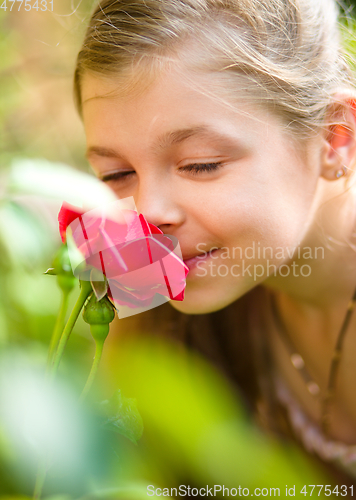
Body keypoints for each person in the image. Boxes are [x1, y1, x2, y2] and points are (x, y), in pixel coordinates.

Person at [74, 0, 356, 485]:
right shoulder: (159, 318)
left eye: (200, 164)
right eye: (117, 174)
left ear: (335, 138)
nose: (147, 211)